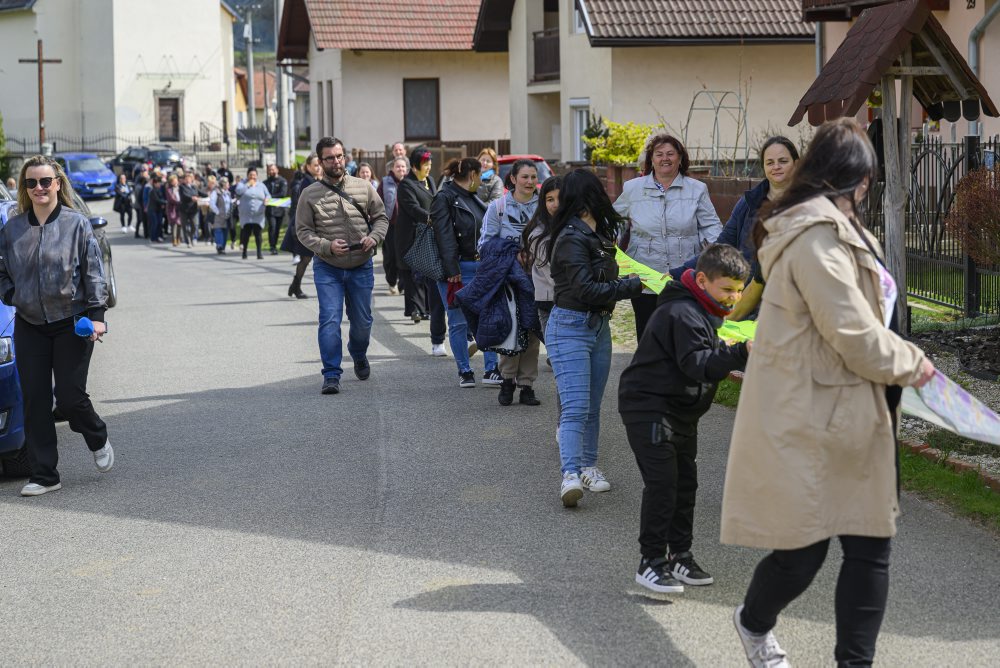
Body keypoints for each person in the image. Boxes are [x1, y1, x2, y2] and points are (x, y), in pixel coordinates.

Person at [720, 118, 936, 668]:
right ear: (854, 179)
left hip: (854, 410)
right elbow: (854, 335)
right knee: (802, 550)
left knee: (870, 546)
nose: (868, 191)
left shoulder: (839, 226)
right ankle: (752, 622)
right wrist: (913, 363)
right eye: (866, 181)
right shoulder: (815, 237)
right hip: (813, 413)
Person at [619, 244, 750, 595]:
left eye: (739, 291)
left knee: (685, 484)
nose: (733, 298)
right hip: (649, 407)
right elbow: (698, 363)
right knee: (663, 485)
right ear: (703, 280)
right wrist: (739, 353)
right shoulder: (682, 313)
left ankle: (680, 555)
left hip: (680, 412)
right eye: (727, 290)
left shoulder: (706, 310)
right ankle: (651, 562)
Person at [0, 155, 112, 496]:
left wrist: (97, 317)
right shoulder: (13, 228)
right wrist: (13, 294)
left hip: (72, 321)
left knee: (69, 396)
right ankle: (46, 475)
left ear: (57, 184)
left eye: (45, 181)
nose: (39, 188)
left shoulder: (77, 224)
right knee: (35, 399)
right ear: (24, 188)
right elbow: (2, 271)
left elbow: (94, 273)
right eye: (31, 183)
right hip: (30, 324)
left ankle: (97, 436)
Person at [541, 169, 642, 507]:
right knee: (575, 407)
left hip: (598, 327)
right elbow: (586, 289)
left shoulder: (599, 234)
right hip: (570, 326)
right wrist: (632, 286)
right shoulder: (571, 237)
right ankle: (569, 474)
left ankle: (588, 467)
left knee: (593, 407)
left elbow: (609, 274)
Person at [296, 136, 389, 395]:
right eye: (330, 158)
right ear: (320, 162)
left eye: (339, 156)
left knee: (363, 321)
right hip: (328, 266)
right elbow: (303, 231)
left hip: (361, 264)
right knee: (329, 319)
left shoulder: (363, 186)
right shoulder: (309, 194)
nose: (336, 161)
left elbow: (381, 217)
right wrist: (326, 246)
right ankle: (331, 374)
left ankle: (358, 353)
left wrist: (374, 237)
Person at [673, 136, 800, 321]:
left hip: (788, 305)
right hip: (743, 302)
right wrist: (680, 273)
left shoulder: (808, 205)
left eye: (783, 161)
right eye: (770, 162)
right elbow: (722, 247)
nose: (776, 167)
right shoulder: (748, 203)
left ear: (796, 164)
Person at [613, 133, 722, 339]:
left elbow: (711, 227)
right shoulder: (632, 189)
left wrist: (718, 257)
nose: (665, 158)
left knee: (684, 335)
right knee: (648, 334)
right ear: (651, 160)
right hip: (644, 275)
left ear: (680, 159)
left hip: (684, 274)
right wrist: (609, 247)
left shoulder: (697, 189)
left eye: (671, 154)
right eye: (659, 154)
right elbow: (614, 221)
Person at [430, 157, 501, 379]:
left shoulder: (472, 197)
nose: (481, 181)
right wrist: (452, 270)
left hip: (480, 266)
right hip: (457, 271)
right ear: (472, 175)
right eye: (480, 176)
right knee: (458, 321)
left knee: (486, 318)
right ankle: (465, 371)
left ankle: (491, 369)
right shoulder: (444, 198)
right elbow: (444, 235)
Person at [481, 158, 540, 404]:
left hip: (538, 278)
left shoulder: (545, 206)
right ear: (513, 179)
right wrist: (511, 251)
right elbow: (484, 244)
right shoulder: (498, 207)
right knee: (511, 328)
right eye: (524, 177)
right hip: (507, 279)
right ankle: (507, 381)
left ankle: (527, 385)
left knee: (533, 331)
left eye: (533, 177)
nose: (529, 182)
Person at [394, 146, 446, 355]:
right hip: (412, 240)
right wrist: (433, 219)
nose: (429, 167)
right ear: (415, 166)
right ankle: (419, 312)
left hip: (431, 239)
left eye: (430, 163)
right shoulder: (406, 185)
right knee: (417, 280)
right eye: (426, 164)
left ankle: (428, 322)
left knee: (431, 283)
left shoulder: (430, 181)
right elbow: (414, 209)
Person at [522, 175, 561, 335]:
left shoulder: (574, 227)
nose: (555, 204)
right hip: (550, 302)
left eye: (560, 198)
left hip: (569, 301)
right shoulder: (539, 234)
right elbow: (552, 275)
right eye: (550, 199)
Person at [283, 154, 321, 298]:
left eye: (319, 165)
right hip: (306, 225)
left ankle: (295, 286)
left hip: (311, 225)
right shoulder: (307, 182)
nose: (318, 167)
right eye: (315, 165)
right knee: (306, 257)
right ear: (308, 167)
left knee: (306, 258)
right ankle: (296, 286)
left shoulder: (316, 180)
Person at [377, 156, 408, 296]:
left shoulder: (410, 182)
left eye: (403, 166)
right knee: (390, 256)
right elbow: (378, 203)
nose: (400, 169)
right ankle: (391, 280)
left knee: (405, 255)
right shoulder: (385, 183)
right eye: (398, 166)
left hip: (406, 227)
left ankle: (403, 283)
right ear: (392, 169)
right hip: (391, 225)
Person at [235, 166, 269, 260]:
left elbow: (268, 194)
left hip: (258, 214)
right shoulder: (242, 184)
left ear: (257, 176)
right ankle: (244, 252)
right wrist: (247, 185)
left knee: (258, 234)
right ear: (247, 175)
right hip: (246, 215)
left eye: (254, 175)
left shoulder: (261, 185)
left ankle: (259, 252)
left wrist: (267, 199)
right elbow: (238, 192)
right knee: (246, 234)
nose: (252, 177)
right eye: (250, 175)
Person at [264, 163, 289, 255]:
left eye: (273, 169)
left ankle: (275, 245)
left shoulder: (282, 181)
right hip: (270, 210)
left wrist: (270, 197)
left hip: (279, 209)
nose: (271, 171)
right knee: (272, 227)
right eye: (270, 170)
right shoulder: (265, 183)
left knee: (277, 229)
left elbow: (283, 193)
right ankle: (272, 246)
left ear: (277, 170)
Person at [210, 177, 232, 254]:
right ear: (223, 184)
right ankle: (219, 246)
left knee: (225, 231)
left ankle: (222, 247)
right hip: (218, 216)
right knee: (218, 230)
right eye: (227, 183)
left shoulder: (228, 193)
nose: (229, 184)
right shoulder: (216, 192)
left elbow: (229, 203)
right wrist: (218, 212)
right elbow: (212, 203)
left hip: (227, 216)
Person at [178, 171, 200, 248]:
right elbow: (184, 195)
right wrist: (191, 198)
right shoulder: (181, 187)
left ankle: (192, 237)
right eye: (186, 179)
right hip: (184, 209)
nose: (187, 180)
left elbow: (199, 193)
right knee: (185, 226)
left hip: (193, 209)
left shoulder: (194, 187)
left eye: (189, 179)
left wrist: (208, 195)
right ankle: (188, 241)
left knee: (194, 225)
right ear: (183, 180)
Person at [146, 174, 165, 242]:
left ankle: (158, 236)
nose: (159, 184)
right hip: (152, 210)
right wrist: (166, 202)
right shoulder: (152, 191)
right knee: (154, 223)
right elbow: (157, 199)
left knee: (159, 223)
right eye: (158, 183)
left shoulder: (159, 190)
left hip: (158, 209)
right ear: (154, 183)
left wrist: (163, 202)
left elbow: (161, 197)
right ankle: (153, 237)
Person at [133, 164, 150, 239]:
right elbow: (139, 197)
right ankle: (137, 233)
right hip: (139, 205)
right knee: (140, 219)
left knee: (140, 219)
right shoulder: (139, 187)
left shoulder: (138, 185)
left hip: (138, 204)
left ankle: (137, 233)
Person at [165, 174, 181, 246]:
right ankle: (174, 239)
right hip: (172, 209)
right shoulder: (169, 190)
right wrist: (179, 202)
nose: (176, 182)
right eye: (174, 181)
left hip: (179, 208)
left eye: (176, 181)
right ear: (171, 182)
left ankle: (178, 238)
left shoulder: (180, 188)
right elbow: (171, 199)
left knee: (179, 224)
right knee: (174, 224)